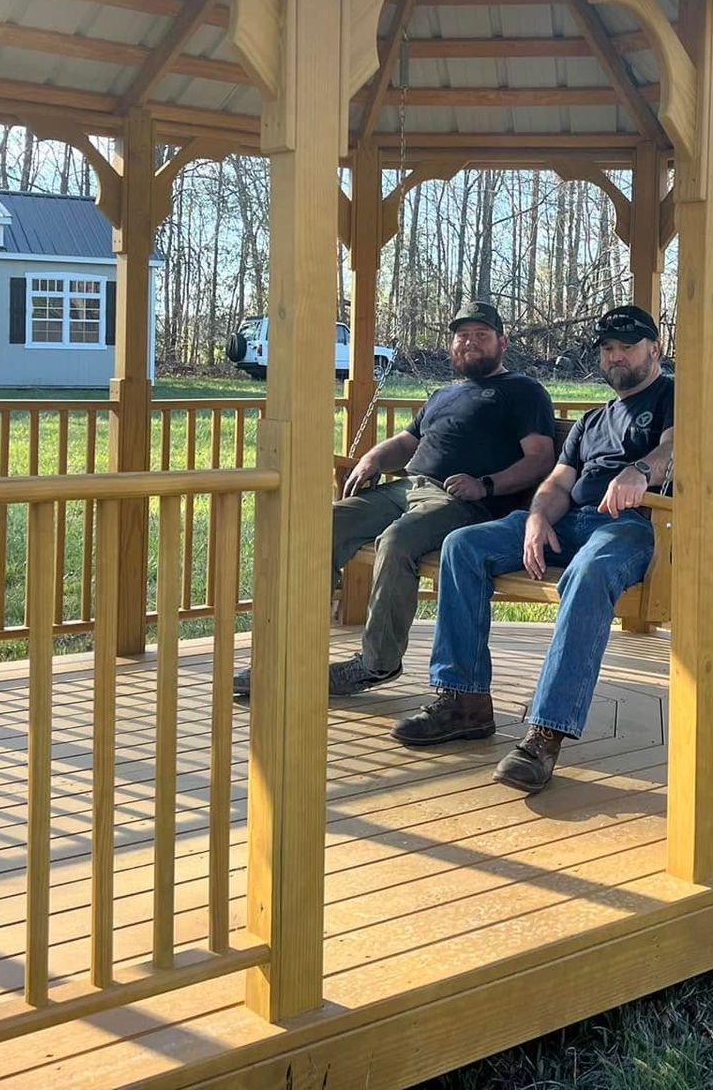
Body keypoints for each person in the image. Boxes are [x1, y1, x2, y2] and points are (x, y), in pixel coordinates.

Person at [392, 304, 673, 793]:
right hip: (573, 521)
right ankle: (464, 699)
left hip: (633, 525)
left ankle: (546, 733)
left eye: (627, 346)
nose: (616, 357)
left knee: (586, 574)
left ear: (656, 349)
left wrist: (642, 470)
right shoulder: (590, 422)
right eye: (607, 349)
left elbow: (678, 445)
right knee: (463, 545)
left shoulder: (676, 396)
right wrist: (539, 517)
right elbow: (558, 481)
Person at [233, 300, 556, 700]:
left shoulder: (523, 392)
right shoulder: (444, 395)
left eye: (481, 335)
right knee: (318, 526)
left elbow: (540, 457)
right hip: (405, 488)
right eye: (462, 335)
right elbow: (407, 442)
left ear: (502, 342)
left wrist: (486, 485)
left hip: (461, 501)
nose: (470, 342)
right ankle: (288, 654)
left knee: (396, 541)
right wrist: (372, 459)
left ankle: (377, 663)